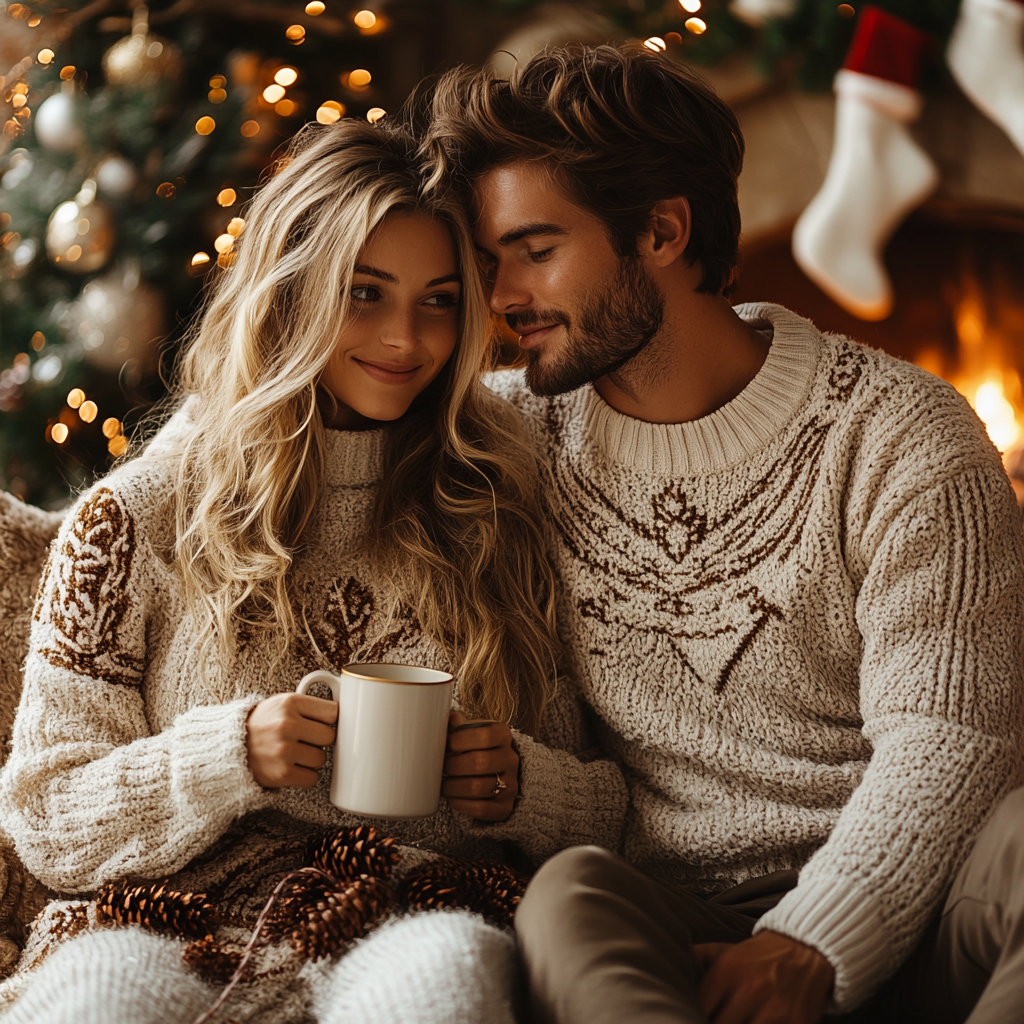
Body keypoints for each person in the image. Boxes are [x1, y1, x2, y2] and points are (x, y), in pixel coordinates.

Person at [417, 44, 1024, 1024]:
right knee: (568, 897)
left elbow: (948, 742)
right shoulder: (512, 435)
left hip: (922, 913)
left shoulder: (901, 432)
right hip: (678, 921)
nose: (501, 298)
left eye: (534, 251)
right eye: (488, 264)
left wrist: (814, 939)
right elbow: (295, 414)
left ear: (661, 230)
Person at [0, 118, 624, 1024]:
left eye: (440, 299)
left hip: (419, 907)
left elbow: (608, 805)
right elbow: (46, 815)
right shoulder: (131, 520)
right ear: (291, 291)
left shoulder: (499, 510)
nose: (406, 338)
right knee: (92, 1007)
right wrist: (226, 756)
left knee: (446, 987)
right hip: (163, 916)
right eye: (364, 293)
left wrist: (526, 784)